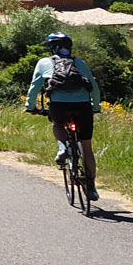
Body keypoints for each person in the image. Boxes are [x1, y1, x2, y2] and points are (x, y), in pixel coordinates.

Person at [26, 31, 102, 201]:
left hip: (58, 105)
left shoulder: (44, 62)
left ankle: (63, 149)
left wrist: (30, 107)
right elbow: (94, 86)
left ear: (51, 48)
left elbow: (34, 87)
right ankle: (91, 188)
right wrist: (95, 106)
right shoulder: (80, 63)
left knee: (58, 124)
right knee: (86, 147)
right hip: (83, 106)